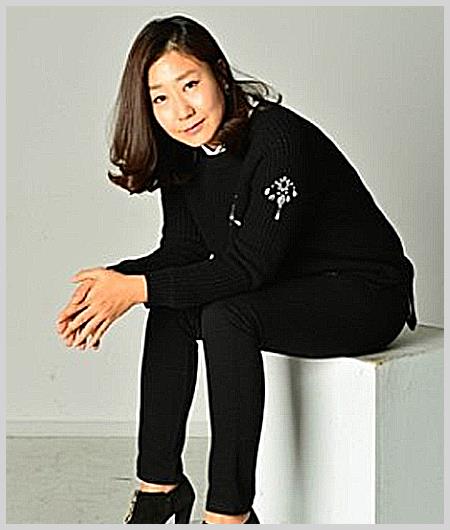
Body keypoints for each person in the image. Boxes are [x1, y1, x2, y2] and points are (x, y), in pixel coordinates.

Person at [55, 14, 417, 525]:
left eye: (190, 85)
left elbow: (249, 267)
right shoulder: (185, 154)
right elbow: (181, 252)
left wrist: (134, 288)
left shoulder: (278, 138)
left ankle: (229, 513)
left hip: (366, 294)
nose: (180, 110)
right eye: (160, 98)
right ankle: (159, 488)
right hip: (292, 286)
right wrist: (112, 283)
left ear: (219, 74)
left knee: (226, 316)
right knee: (172, 305)